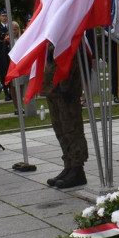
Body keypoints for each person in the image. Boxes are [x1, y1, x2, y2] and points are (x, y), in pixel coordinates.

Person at [43, 47, 88, 189]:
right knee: (61, 130)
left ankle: (77, 169)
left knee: (72, 130)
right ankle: (68, 166)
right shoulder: (52, 36)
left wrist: (66, 86)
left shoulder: (67, 34)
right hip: (54, 91)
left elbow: (71, 57)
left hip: (66, 91)